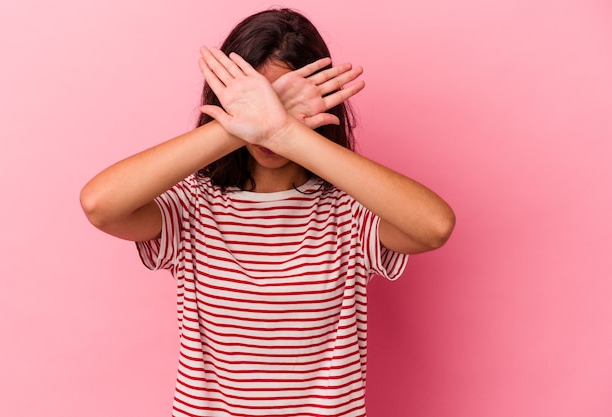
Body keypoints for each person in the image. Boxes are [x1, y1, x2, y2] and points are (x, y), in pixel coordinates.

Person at [80, 8, 455, 417]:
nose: (267, 117)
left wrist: (284, 132)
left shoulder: (350, 210)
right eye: (258, 102)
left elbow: (434, 227)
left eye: (283, 103)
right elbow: (101, 204)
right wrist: (238, 125)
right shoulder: (192, 207)